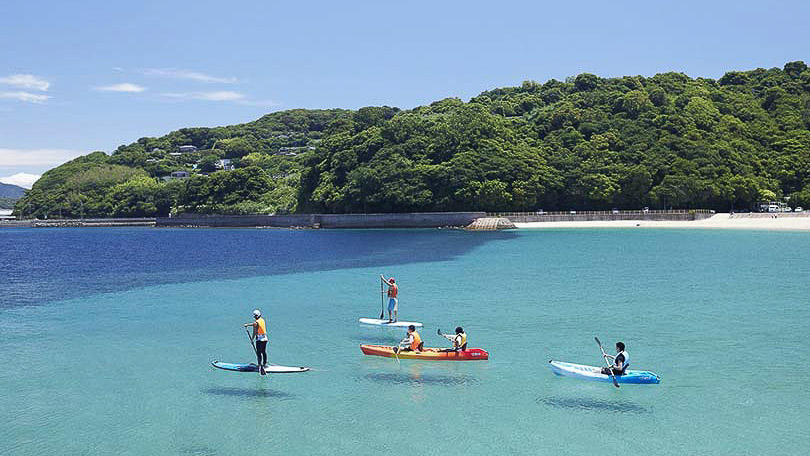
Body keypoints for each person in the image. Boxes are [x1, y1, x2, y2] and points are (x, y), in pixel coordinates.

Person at [244, 309, 268, 375]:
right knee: (263, 351)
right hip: (265, 339)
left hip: (259, 340)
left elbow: (254, 332)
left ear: (255, 316)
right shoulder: (262, 320)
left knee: (258, 353)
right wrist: (248, 325)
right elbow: (255, 324)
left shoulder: (256, 322)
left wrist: (252, 339)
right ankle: (265, 364)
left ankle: (260, 365)